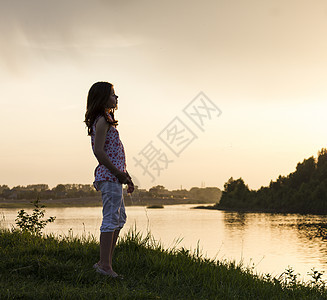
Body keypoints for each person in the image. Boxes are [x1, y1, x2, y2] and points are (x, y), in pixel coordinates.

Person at [84, 81, 134, 278]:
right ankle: (105, 266)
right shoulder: (103, 120)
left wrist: (125, 176)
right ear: (102, 98)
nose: (116, 98)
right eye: (113, 94)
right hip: (109, 176)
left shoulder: (108, 118)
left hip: (114, 176)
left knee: (119, 218)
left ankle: (105, 263)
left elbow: (115, 153)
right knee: (111, 218)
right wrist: (118, 173)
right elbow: (99, 152)